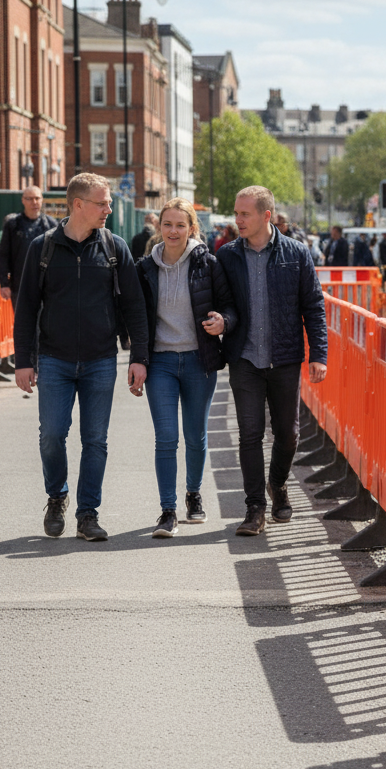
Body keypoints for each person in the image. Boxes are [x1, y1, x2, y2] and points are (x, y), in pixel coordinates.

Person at [13, 172, 149, 541]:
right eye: (101, 202)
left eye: (107, 202)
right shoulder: (43, 248)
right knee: (52, 436)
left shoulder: (114, 247)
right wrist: (22, 360)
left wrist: (139, 356)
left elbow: (135, 306)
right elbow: (25, 308)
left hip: (101, 359)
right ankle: (57, 497)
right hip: (54, 360)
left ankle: (87, 514)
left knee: (96, 440)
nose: (108, 208)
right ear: (78, 204)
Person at [217, 185, 327, 536]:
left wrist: (318, 355)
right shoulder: (227, 255)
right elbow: (226, 304)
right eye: (236, 213)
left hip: (284, 357)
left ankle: (277, 485)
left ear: (266, 215)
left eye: (244, 214)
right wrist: (224, 321)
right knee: (250, 434)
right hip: (245, 359)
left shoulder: (296, 253)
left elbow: (313, 307)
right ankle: (254, 509)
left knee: (288, 433)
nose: (238, 220)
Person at [136, 199, 237, 538]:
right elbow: (136, 317)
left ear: (192, 228)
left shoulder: (208, 263)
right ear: (159, 228)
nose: (174, 231)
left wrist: (223, 322)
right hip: (161, 360)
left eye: (181, 225)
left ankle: (193, 494)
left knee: (195, 436)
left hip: (198, 359)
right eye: (168, 224)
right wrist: (137, 358)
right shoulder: (145, 267)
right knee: (166, 437)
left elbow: (229, 306)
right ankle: (167, 511)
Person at [0, 186, 57, 303]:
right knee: (23, 321)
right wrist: (4, 283)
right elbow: (3, 255)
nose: (34, 202)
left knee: (44, 320)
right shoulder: (13, 225)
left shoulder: (51, 225)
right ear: (23, 200)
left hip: (46, 286)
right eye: (29, 199)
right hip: (19, 285)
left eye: (37, 198)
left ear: (42, 200)